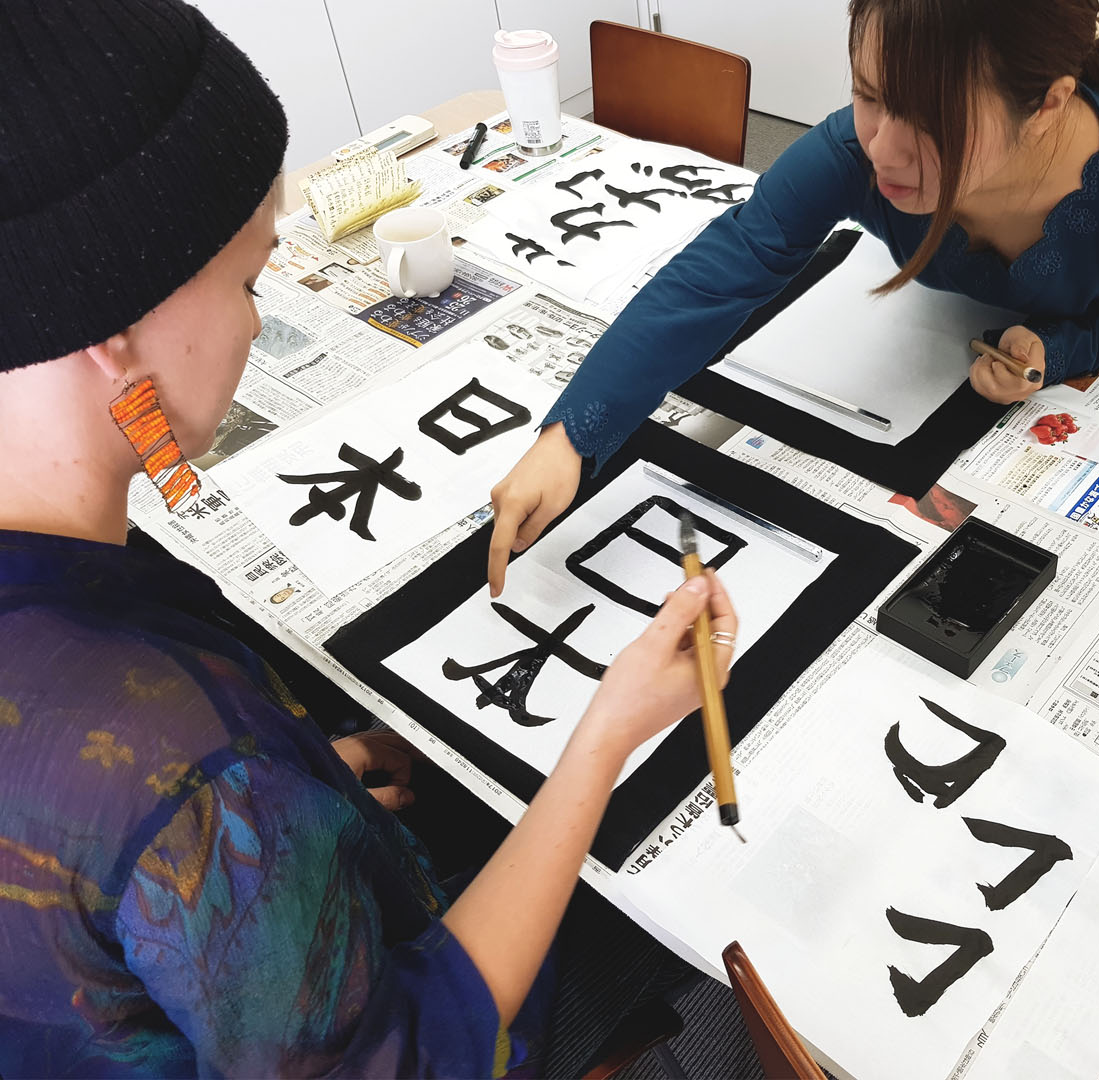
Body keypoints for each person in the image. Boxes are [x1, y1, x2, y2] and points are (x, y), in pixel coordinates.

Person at [0, 1, 734, 1075]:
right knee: (664, 943)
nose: (258, 320)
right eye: (250, 282)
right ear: (114, 328)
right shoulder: (192, 773)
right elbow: (414, 1055)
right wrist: (605, 734)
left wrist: (300, 798)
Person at [487, 0, 1099, 594]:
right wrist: (571, 438)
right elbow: (731, 260)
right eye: (868, 95)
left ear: (1049, 104)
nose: (884, 150)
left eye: (934, 121)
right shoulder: (859, 150)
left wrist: (1063, 347)